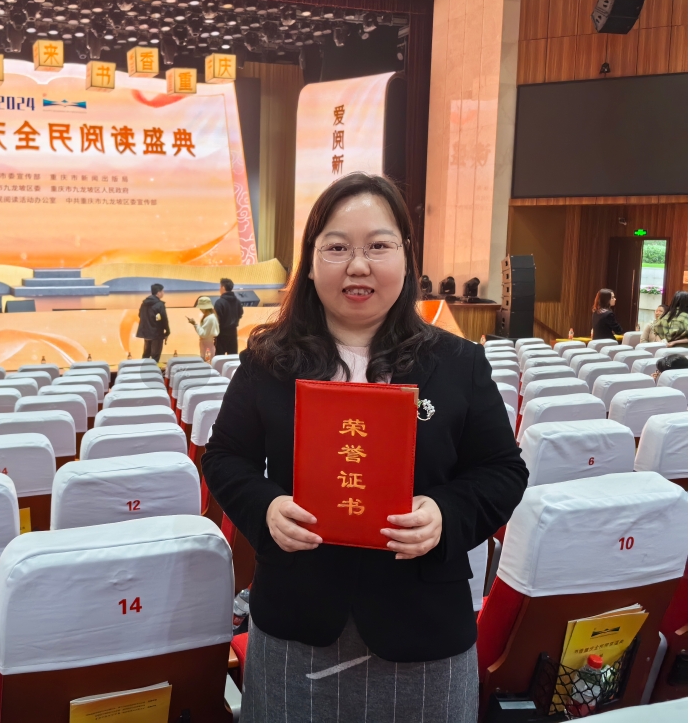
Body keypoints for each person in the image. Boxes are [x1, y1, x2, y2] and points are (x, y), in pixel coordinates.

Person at [202, 172, 527, 722]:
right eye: (337, 248)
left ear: (406, 256)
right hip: (298, 621)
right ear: (310, 263)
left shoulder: (458, 364)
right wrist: (267, 508)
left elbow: (502, 471)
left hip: (424, 626)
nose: (358, 266)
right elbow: (225, 457)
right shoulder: (267, 361)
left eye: (378, 246)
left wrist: (445, 514)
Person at [136, 284, 170, 362]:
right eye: (162, 291)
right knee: (155, 356)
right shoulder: (159, 304)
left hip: (146, 333)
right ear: (158, 292)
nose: (163, 293)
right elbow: (164, 319)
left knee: (146, 354)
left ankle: (144, 368)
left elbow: (140, 315)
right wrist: (167, 331)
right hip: (156, 333)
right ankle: (154, 369)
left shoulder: (144, 303)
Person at [214, 278, 244, 355]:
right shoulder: (237, 302)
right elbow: (240, 313)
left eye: (220, 287)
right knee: (233, 356)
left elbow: (216, 319)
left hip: (221, 333)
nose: (219, 289)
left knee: (219, 357)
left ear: (223, 287)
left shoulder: (219, 302)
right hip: (233, 332)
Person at [188, 296, 220, 361]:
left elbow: (203, 334)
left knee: (207, 361)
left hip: (207, 345)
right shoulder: (211, 317)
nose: (200, 309)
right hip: (207, 344)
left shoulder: (210, 318)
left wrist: (195, 324)